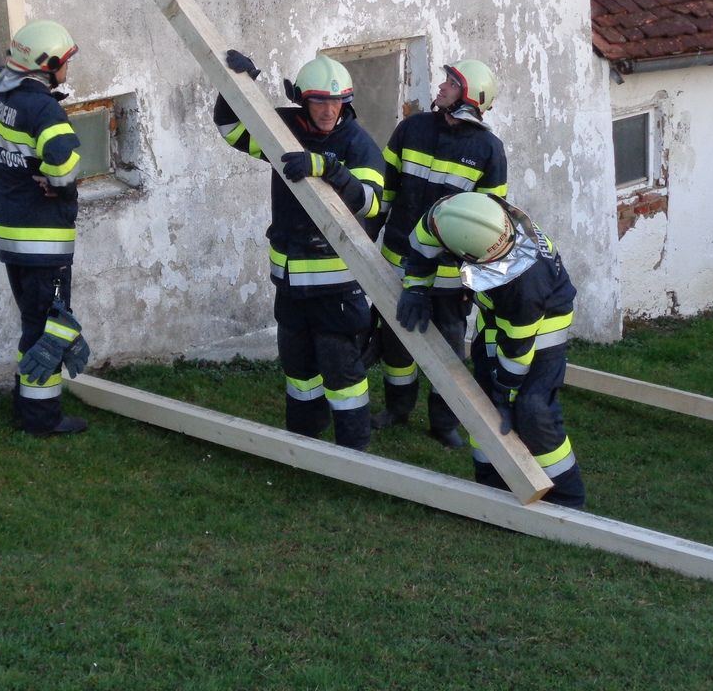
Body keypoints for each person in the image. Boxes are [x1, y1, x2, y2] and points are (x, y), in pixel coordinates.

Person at [215, 50, 386, 451]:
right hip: (290, 283)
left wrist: (329, 170)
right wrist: (237, 86)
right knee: (298, 368)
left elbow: (371, 204)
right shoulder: (284, 128)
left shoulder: (357, 143)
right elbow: (232, 130)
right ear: (301, 100)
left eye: (336, 102)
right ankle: (304, 442)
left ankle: (354, 453)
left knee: (342, 372)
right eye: (320, 102)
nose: (328, 111)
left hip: (337, 288)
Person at [396, 191, 586, 508]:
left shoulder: (524, 283)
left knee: (533, 407)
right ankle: (492, 486)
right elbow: (421, 245)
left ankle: (568, 497)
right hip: (498, 315)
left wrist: (505, 393)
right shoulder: (450, 216)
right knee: (482, 404)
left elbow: (516, 348)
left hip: (543, 323)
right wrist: (416, 287)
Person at [371, 58, 508, 447]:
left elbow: (489, 223)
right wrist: (368, 233)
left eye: (452, 83)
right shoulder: (411, 128)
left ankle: (445, 422)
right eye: (446, 80)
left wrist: (473, 283)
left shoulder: (488, 150)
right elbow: (386, 191)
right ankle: (397, 408)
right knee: (396, 340)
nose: (442, 86)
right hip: (398, 261)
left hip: (449, 278)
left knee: (449, 349)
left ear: (471, 96)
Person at [0, 19, 91, 437]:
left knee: (34, 321)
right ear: (48, 66)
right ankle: (42, 418)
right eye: (65, 62)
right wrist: (56, 182)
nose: (68, 68)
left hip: (12, 234)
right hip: (45, 240)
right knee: (49, 330)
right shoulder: (44, 110)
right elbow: (65, 166)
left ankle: (24, 405)